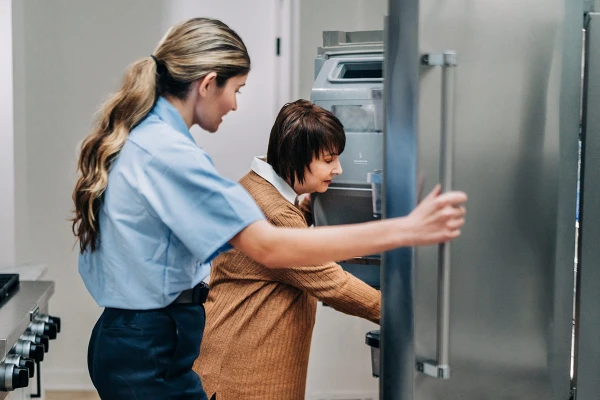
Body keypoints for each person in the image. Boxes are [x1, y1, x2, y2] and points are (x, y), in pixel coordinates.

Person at [71, 17, 467, 400]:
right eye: (237, 90)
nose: (235, 105)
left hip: (142, 340)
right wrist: (406, 229)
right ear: (208, 84)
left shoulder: (151, 138)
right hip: (148, 348)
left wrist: (310, 212)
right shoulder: (172, 155)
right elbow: (271, 246)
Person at [194, 100, 381, 400]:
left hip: (233, 364)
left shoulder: (257, 188)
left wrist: (309, 211)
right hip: (246, 377)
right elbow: (332, 283)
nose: (338, 169)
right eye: (329, 160)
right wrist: (399, 314)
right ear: (297, 157)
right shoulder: (274, 212)